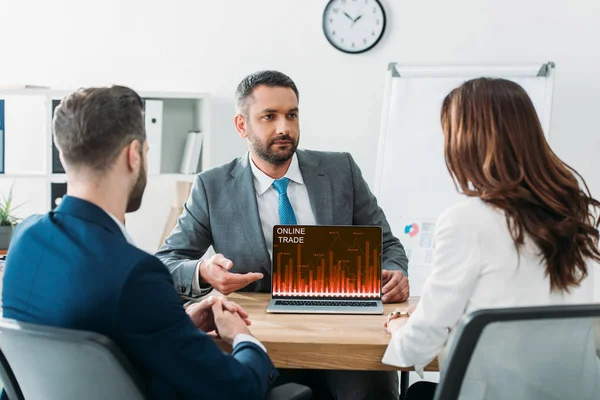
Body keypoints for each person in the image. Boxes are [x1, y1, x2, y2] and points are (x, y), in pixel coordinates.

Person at [2, 86, 278, 400]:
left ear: (63, 153)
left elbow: (87, 338)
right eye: (146, 151)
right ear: (133, 154)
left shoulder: (25, 238)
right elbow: (236, 389)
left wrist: (176, 324)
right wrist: (243, 337)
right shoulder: (135, 273)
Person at [156, 70, 409, 399]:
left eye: (292, 115)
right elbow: (166, 261)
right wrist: (203, 271)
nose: (284, 128)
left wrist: (396, 272)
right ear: (241, 125)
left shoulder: (341, 170)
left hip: (345, 338)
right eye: (269, 117)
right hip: (259, 340)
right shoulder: (212, 186)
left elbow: (388, 245)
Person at [382, 78, 600, 399]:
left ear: (466, 141)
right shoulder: (577, 213)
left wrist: (400, 326)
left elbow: (419, 344)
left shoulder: (467, 220)